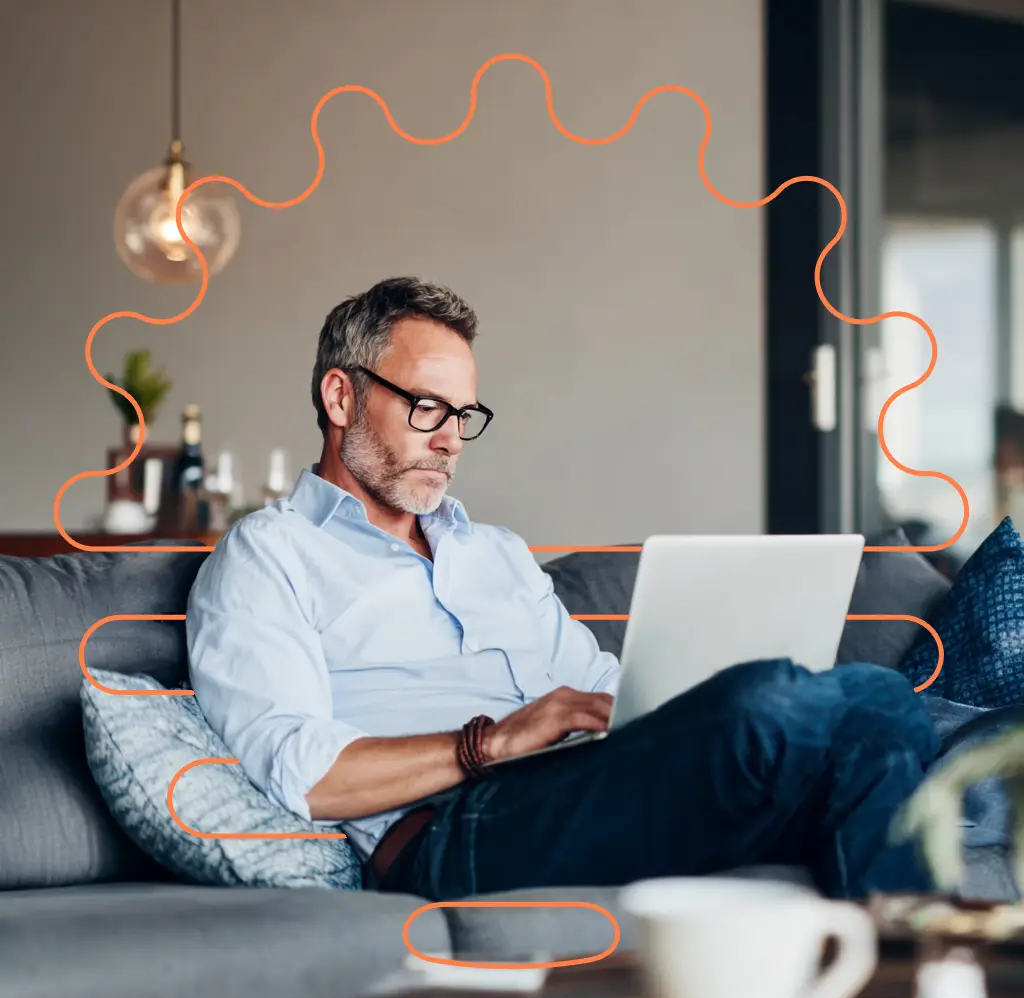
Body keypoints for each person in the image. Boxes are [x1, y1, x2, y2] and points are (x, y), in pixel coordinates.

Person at [185, 275, 940, 902]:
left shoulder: (497, 555)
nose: (451, 438)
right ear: (341, 397)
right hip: (451, 834)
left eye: (465, 415)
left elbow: (603, 689)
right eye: (426, 407)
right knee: (771, 706)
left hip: (586, 784)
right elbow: (298, 770)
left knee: (880, 701)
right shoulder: (269, 555)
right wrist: (491, 743)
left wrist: (675, 705)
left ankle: (912, 991)